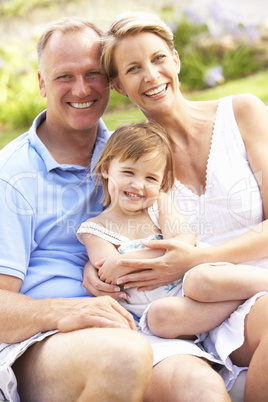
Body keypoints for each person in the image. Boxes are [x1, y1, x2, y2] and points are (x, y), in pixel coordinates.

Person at [83, 10, 268, 400]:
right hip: (204, 307)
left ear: (176, 59)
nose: (151, 76)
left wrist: (201, 257)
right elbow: (118, 222)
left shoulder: (243, 112)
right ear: (117, 85)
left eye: (158, 58)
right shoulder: (132, 157)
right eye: (133, 68)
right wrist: (98, 264)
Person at [0, 17, 154, 402]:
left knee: (196, 386)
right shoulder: (12, 175)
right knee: (123, 358)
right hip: (42, 341)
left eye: (93, 74)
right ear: (41, 84)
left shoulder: (126, 155)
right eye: (64, 77)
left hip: (132, 321)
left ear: (110, 80)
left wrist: (101, 259)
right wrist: (62, 311)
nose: (81, 89)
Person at [79, 120, 268, 341]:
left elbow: (182, 240)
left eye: (150, 178)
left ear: (162, 182)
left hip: (194, 277)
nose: (138, 184)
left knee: (198, 280)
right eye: (128, 172)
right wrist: (163, 253)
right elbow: (112, 271)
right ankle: (238, 300)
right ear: (106, 169)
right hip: (169, 307)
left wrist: (129, 259)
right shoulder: (94, 229)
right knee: (158, 319)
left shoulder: (159, 203)